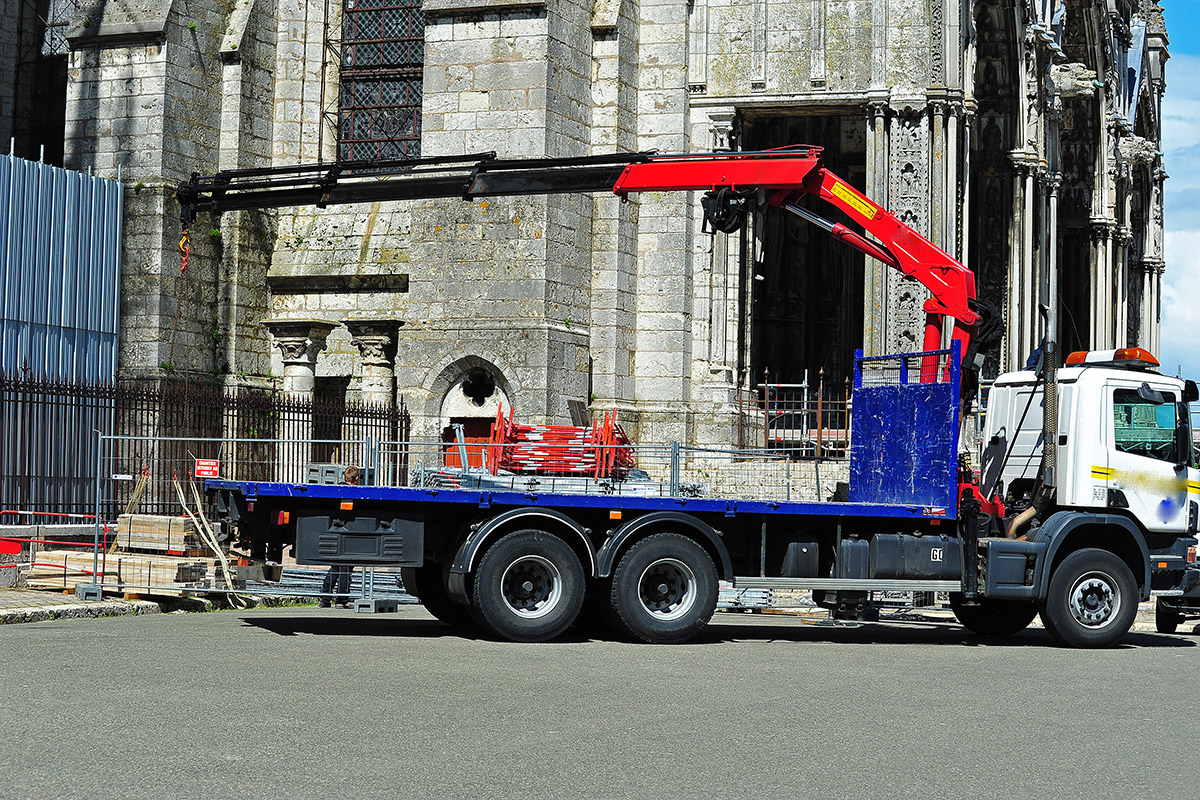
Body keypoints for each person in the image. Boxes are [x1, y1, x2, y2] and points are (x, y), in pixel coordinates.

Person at [318, 466, 361, 608]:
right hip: (349, 532)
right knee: (346, 567)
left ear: (344, 478)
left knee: (335, 566)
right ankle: (342, 599)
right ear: (356, 479)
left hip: (336, 530)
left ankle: (325, 598)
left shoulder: (337, 491)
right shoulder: (355, 493)